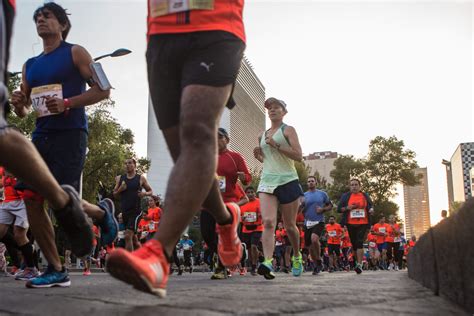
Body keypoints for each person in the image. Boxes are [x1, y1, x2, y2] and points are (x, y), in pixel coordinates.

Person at [107, 0, 246, 297]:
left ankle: (158, 255)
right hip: (162, 34)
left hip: (215, 26)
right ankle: (226, 218)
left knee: (197, 133)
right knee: (186, 159)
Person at [9, 3, 118, 288]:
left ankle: (101, 214)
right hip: (40, 137)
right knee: (32, 199)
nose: (41, 21)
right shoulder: (29, 66)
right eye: (38, 18)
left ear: (62, 24)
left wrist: (68, 103)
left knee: (62, 201)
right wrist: (19, 104)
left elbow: (103, 89)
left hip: (71, 134)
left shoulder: (76, 52)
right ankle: (55, 268)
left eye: (47, 16)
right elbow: (25, 111)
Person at [253, 97, 304, 280]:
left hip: (288, 180)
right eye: (269, 108)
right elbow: (267, 161)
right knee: (268, 222)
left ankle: (297, 256)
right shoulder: (262, 135)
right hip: (267, 181)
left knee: (290, 226)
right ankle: (267, 262)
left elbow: (298, 156)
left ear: (284, 112)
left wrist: (276, 145)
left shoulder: (288, 130)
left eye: (276, 107)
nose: (272, 110)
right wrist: (259, 154)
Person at [201, 127, 251, 280]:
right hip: (208, 203)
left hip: (228, 203)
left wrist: (243, 177)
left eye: (220, 137)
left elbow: (247, 178)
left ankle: (221, 267)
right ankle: (238, 250)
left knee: (222, 236)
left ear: (227, 140)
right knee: (208, 236)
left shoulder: (235, 157)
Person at [0, 168, 39, 280]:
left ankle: (32, 269)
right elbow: (3, 182)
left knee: (19, 235)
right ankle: (28, 249)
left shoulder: (16, 158)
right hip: (6, 202)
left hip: (22, 201)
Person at [113, 158, 153, 251]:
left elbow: (150, 191)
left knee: (127, 235)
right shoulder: (120, 178)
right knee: (134, 239)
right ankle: (141, 257)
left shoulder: (140, 178)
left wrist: (144, 194)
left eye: (130, 163)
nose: (127, 165)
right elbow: (114, 195)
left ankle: (129, 263)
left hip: (136, 211)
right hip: (124, 212)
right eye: (125, 163)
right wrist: (120, 189)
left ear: (135, 165)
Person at [337, 178, 374, 274]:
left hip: (363, 223)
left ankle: (360, 265)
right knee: (354, 244)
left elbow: (371, 205)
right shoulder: (346, 196)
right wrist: (347, 208)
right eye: (352, 185)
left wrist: (371, 210)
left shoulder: (364, 195)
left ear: (359, 186)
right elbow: (339, 209)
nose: (354, 186)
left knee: (359, 242)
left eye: (356, 184)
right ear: (350, 187)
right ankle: (357, 262)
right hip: (350, 223)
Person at [300, 176, 333, 275]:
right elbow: (300, 209)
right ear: (307, 183)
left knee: (314, 239)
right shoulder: (304, 195)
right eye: (309, 181)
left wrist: (323, 209)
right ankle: (317, 263)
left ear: (316, 183)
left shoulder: (322, 194)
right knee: (309, 245)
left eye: (312, 181)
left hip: (319, 221)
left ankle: (318, 259)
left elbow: (330, 205)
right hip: (307, 222)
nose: (310, 183)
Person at [240, 186, 263, 276]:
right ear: (245, 194)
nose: (250, 194)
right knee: (249, 249)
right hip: (246, 229)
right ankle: (259, 255)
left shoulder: (259, 202)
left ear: (255, 193)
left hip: (257, 227)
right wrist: (242, 218)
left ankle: (254, 267)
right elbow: (239, 216)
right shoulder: (242, 203)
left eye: (252, 192)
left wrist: (260, 215)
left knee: (253, 246)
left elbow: (264, 213)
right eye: (248, 192)